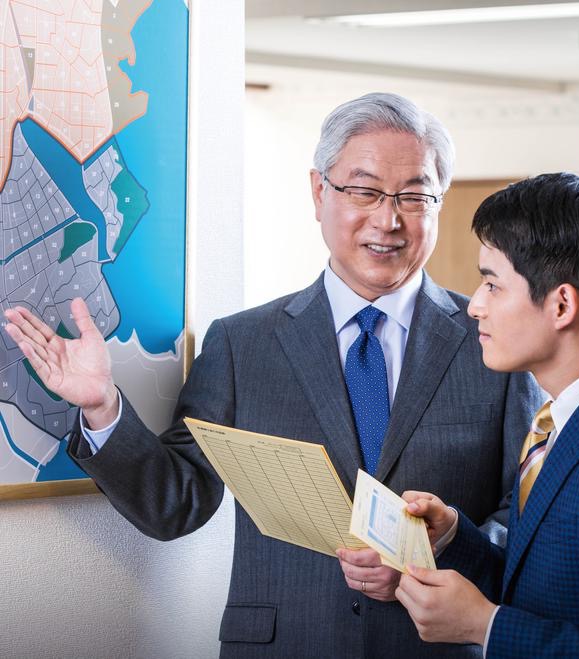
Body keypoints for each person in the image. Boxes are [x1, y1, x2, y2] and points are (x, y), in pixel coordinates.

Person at [3, 92, 541, 657]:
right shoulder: (243, 343)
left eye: (415, 196)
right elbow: (174, 503)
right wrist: (99, 406)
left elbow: (527, 523)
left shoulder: (494, 343)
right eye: (364, 191)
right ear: (318, 191)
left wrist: (440, 552)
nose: (390, 219)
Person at [390, 172, 579, 658]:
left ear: (561, 304)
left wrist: (486, 626)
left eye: (492, 286)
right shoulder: (549, 425)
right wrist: (455, 535)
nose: (474, 306)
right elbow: (531, 582)